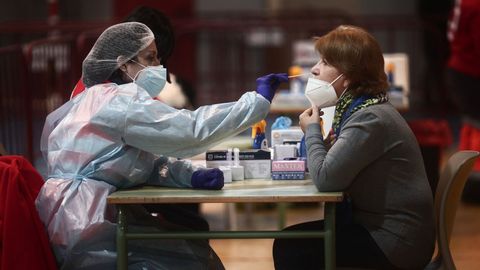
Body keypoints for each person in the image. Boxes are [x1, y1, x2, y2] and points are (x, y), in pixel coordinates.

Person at [36, 22, 287, 270]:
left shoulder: (97, 98)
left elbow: (136, 162)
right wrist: (256, 103)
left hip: (79, 214)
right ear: (124, 63)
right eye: (151, 58)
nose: (159, 67)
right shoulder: (117, 102)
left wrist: (187, 175)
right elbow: (189, 130)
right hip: (88, 223)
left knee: (191, 244)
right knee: (190, 256)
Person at [272, 25, 435, 270]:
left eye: (325, 63)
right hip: (388, 232)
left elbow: (326, 179)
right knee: (291, 242)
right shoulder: (364, 109)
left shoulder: (370, 119)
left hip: (397, 244)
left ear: (347, 77)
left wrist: (313, 130)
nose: (315, 69)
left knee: (291, 248)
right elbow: (335, 168)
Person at [446, 0, 480, 202]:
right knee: (475, 130)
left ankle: (466, 183)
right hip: (472, 73)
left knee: (471, 129)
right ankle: (473, 188)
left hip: (461, 70)